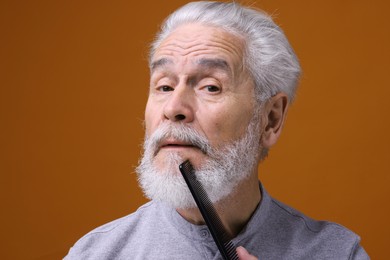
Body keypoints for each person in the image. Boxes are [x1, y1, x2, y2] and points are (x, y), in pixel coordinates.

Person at [65, 1, 369, 259]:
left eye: (211, 86)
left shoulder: (338, 253)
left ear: (271, 119)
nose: (173, 108)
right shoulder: (96, 253)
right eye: (164, 86)